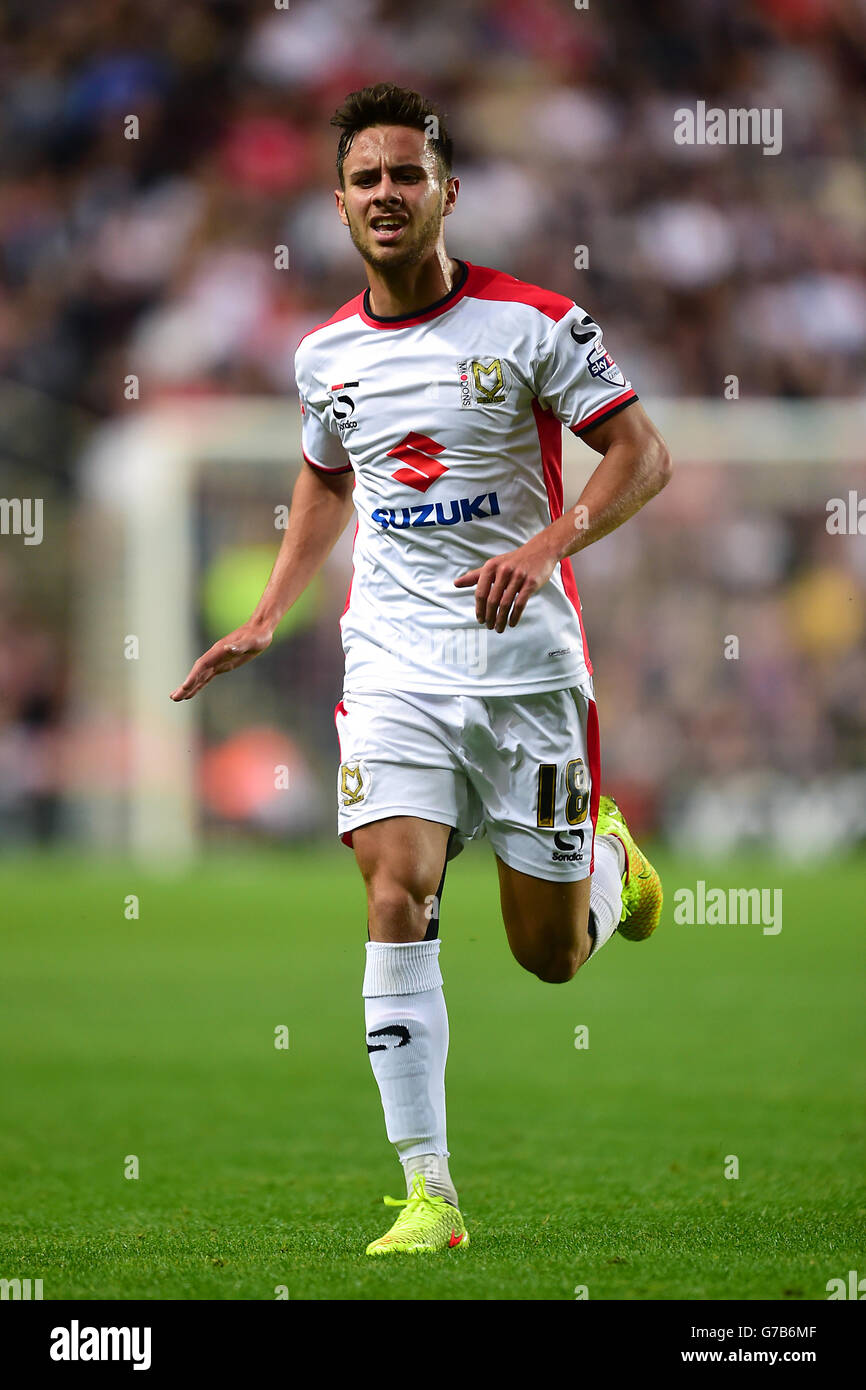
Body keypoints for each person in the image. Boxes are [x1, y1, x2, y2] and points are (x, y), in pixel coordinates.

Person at [171, 82, 672, 1256]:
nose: (386, 194)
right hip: (392, 660)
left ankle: (608, 860)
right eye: (365, 178)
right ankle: (428, 1193)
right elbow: (328, 475)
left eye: (407, 174)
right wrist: (267, 611)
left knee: (547, 959)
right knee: (393, 889)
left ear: (445, 191)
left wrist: (546, 544)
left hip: (525, 667)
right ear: (338, 203)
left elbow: (639, 456)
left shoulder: (535, 323)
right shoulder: (323, 354)